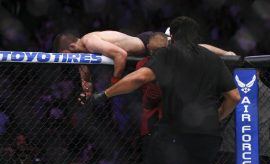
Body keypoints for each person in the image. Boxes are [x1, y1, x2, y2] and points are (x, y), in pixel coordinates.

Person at [89, 16, 241, 164]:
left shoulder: (168, 54)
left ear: (173, 38)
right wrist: (218, 116)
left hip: (174, 131)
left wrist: (105, 93)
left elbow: (139, 78)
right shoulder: (213, 59)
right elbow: (234, 97)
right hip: (206, 134)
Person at [53, 31, 235, 98]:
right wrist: (87, 86)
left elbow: (120, 54)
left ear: (71, 46)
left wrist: (115, 82)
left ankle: (226, 54)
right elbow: (83, 68)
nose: (67, 59)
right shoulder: (83, 52)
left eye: (66, 55)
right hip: (146, 52)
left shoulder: (90, 40)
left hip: (148, 42)